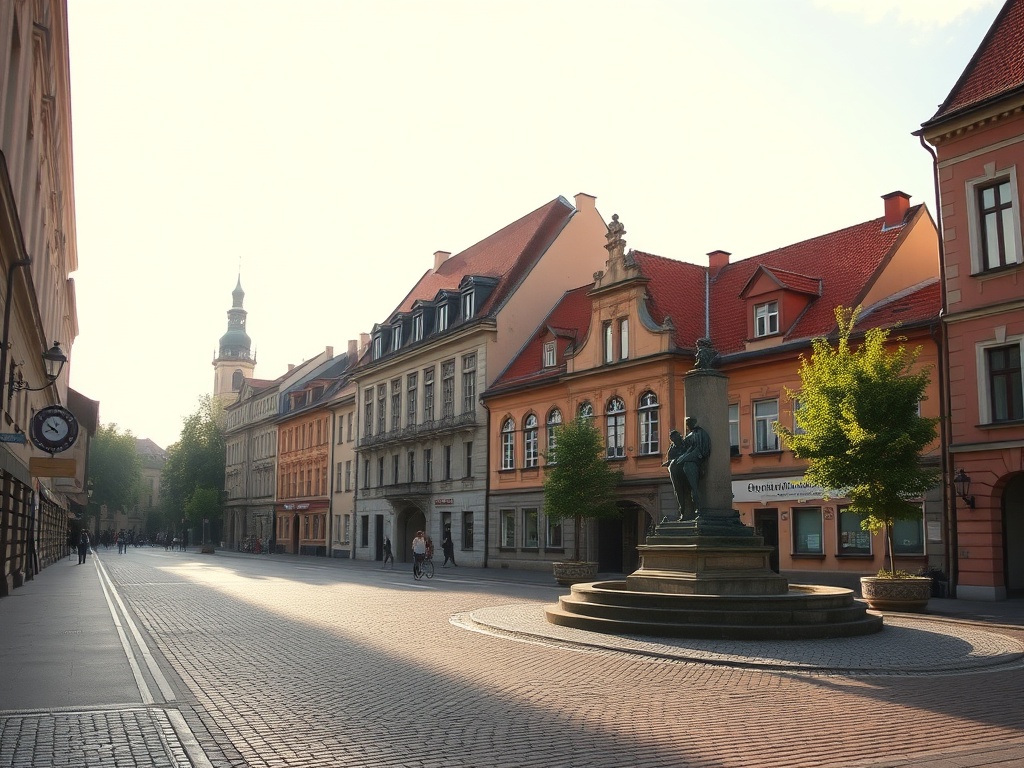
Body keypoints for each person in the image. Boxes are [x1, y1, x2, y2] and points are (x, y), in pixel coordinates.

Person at [663, 416, 712, 520]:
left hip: (693, 465)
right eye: (687, 423)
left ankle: (699, 510)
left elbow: (698, 451)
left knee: (694, 488)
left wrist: (680, 459)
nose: (688, 425)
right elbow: (684, 454)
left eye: (689, 423)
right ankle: (685, 512)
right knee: (681, 490)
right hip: (680, 472)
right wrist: (673, 461)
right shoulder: (684, 441)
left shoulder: (699, 434)